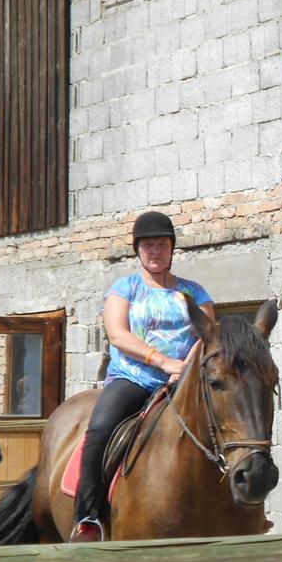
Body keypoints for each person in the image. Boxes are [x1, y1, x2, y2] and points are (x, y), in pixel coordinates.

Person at [70, 211, 215, 543]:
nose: (155, 252)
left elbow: (209, 337)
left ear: (172, 249)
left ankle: (246, 509)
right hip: (133, 378)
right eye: (148, 246)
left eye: (162, 245)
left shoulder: (195, 292)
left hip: (185, 381)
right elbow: (118, 335)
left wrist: (186, 368)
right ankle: (88, 518)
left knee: (230, 421)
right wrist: (164, 362)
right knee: (99, 430)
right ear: (138, 250)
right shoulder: (126, 288)